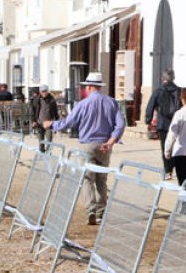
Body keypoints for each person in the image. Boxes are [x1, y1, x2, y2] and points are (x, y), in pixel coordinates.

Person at [43, 71, 126, 226]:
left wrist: (52, 125)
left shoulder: (83, 104)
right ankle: (101, 212)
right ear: (99, 87)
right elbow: (121, 124)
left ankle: (91, 209)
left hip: (87, 144)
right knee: (102, 179)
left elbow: (69, 122)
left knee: (87, 178)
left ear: (88, 87)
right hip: (104, 144)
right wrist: (112, 140)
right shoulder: (112, 102)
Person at [145, 69, 182, 174]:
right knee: (176, 146)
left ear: (163, 79)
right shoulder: (179, 90)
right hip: (177, 123)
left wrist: (148, 121)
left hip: (163, 124)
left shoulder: (158, 91)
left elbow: (150, 106)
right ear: (173, 78)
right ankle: (175, 167)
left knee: (165, 147)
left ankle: (168, 171)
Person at [32, 85, 60, 153]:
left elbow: (55, 111)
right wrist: (33, 121)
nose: (44, 93)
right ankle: (41, 152)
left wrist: (57, 120)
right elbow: (33, 111)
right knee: (41, 140)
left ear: (47, 91)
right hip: (39, 122)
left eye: (45, 91)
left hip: (49, 123)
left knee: (49, 139)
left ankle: (47, 153)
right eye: (42, 92)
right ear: (40, 92)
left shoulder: (52, 100)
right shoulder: (37, 100)